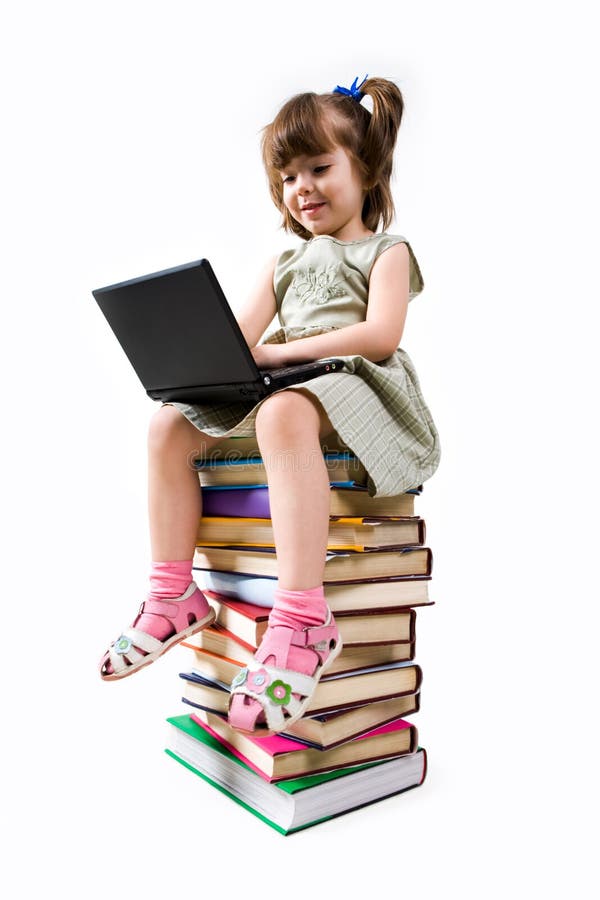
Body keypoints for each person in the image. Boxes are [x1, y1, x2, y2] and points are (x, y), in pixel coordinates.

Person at [99, 74, 440, 737]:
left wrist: (281, 356)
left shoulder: (385, 250)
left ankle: (304, 619)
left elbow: (381, 336)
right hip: (292, 386)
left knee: (284, 413)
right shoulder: (283, 264)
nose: (302, 188)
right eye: (288, 177)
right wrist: (200, 365)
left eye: (319, 168)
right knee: (169, 425)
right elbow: (239, 340)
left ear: (364, 169)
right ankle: (173, 593)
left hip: (361, 383)